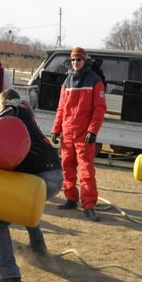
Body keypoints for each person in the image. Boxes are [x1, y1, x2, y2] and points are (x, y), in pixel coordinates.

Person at [0, 89, 63, 282]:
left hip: (42, 177)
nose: (0, 110)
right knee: (27, 206)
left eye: (0, 106)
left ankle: (10, 277)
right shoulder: (27, 114)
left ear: (6, 101)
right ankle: (39, 248)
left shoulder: (14, 107)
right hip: (54, 175)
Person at [51, 47, 106, 222]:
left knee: (86, 170)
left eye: (78, 60)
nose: (75, 63)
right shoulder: (66, 82)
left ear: (84, 61)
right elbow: (61, 108)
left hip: (84, 134)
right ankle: (71, 198)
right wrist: (56, 129)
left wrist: (92, 130)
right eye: (73, 60)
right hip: (67, 132)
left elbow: (99, 109)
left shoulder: (95, 81)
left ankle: (89, 205)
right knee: (67, 167)